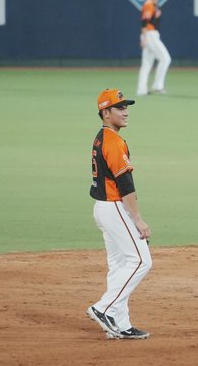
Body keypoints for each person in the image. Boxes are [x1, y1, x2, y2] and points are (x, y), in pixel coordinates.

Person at [87, 88, 152, 340]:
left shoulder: (101, 137)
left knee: (119, 265)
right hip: (115, 207)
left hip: (103, 208)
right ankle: (103, 308)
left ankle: (121, 324)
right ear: (106, 113)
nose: (125, 112)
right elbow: (125, 184)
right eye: (120, 108)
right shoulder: (113, 142)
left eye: (126, 107)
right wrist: (137, 219)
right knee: (141, 260)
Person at [137, 0, 172, 96]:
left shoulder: (155, 4)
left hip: (151, 34)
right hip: (149, 34)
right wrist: (143, 38)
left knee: (147, 63)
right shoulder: (149, 4)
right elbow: (144, 22)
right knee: (165, 59)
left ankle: (141, 90)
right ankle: (158, 86)